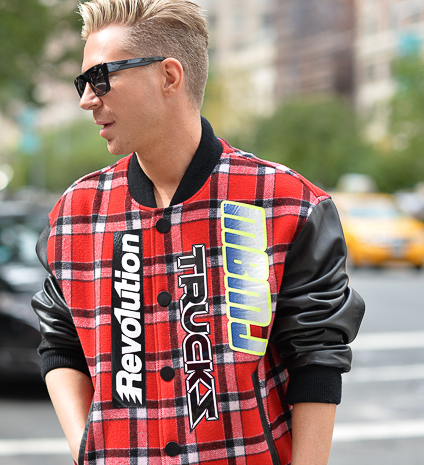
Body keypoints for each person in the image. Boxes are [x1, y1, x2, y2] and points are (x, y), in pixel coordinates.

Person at [32, 0, 365, 464]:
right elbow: (59, 341)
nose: (88, 98)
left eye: (101, 77)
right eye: (82, 83)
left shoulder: (288, 204)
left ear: (169, 76)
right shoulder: (75, 215)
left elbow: (318, 357)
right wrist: (86, 449)